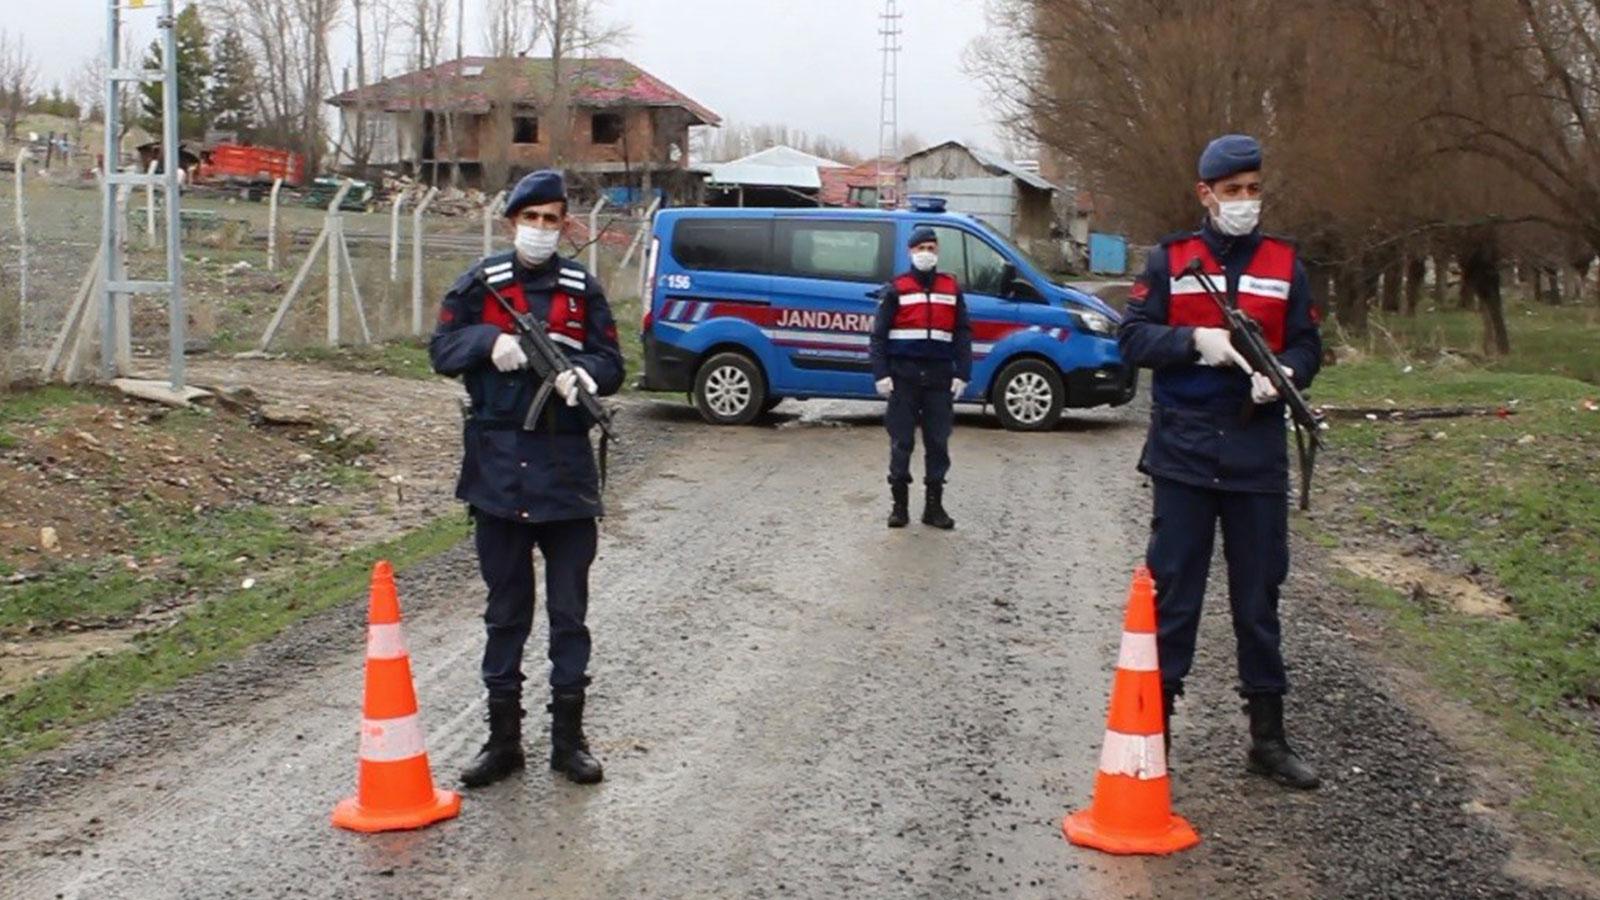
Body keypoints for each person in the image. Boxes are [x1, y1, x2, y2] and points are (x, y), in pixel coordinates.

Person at [1117, 134, 1324, 790]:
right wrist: (1192, 341)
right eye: (1232, 191)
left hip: (1256, 451)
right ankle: (1155, 731)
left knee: (1258, 596)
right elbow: (1132, 338)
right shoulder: (1171, 259)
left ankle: (1268, 737)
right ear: (1205, 194)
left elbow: (1312, 343)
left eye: (1254, 189)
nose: (1245, 202)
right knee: (1175, 594)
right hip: (1183, 449)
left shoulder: (1286, 262)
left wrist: (1287, 370)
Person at [429, 169, 624, 787]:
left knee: (570, 614)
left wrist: (586, 376)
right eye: (530, 218)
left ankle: (569, 742)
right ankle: (502, 742)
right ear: (511, 221)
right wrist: (488, 342)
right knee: (506, 612)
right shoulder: (481, 283)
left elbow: (612, 362)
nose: (541, 229)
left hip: (566, 472)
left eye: (551, 219)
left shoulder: (581, 288)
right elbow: (440, 349)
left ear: (564, 224)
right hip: (497, 469)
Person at [869, 227, 973, 530]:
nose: (926, 253)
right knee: (902, 442)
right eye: (920, 248)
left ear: (937, 251)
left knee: (938, 443)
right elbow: (878, 336)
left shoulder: (951, 288)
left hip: (939, 379)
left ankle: (934, 507)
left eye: (931, 247)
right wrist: (882, 374)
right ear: (910, 252)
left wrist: (962, 373)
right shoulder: (897, 288)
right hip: (904, 378)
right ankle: (899, 506)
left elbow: (963, 333)